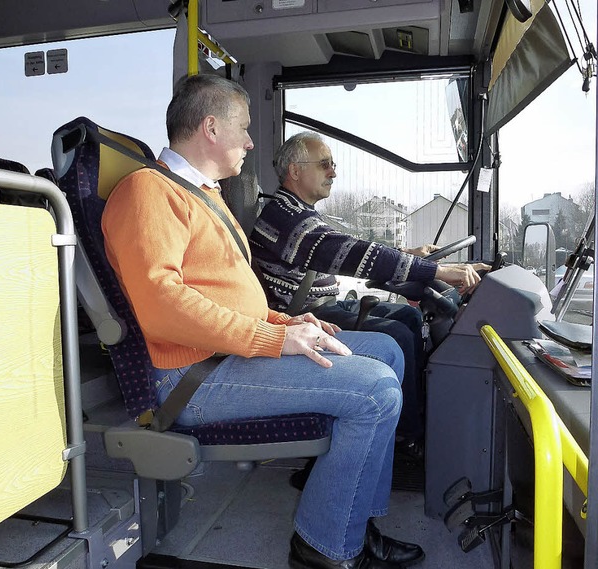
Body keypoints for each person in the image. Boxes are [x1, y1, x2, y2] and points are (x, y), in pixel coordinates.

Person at [102, 73, 427, 569]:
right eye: (245, 128)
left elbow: (234, 299)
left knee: (387, 351)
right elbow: (162, 304)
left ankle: (354, 515)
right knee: (375, 389)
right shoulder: (147, 192)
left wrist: (288, 322)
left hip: (227, 355)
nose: (252, 142)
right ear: (211, 128)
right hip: (194, 378)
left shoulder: (207, 197)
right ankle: (325, 547)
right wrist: (271, 339)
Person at [249, 131, 484, 456]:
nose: (333, 172)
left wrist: (407, 252)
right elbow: (346, 251)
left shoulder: (299, 212)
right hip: (303, 316)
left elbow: (351, 248)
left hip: (323, 306)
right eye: (325, 164)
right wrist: (436, 271)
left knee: (408, 315)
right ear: (295, 170)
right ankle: (405, 439)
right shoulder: (284, 217)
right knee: (399, 333)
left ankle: (414, 421)